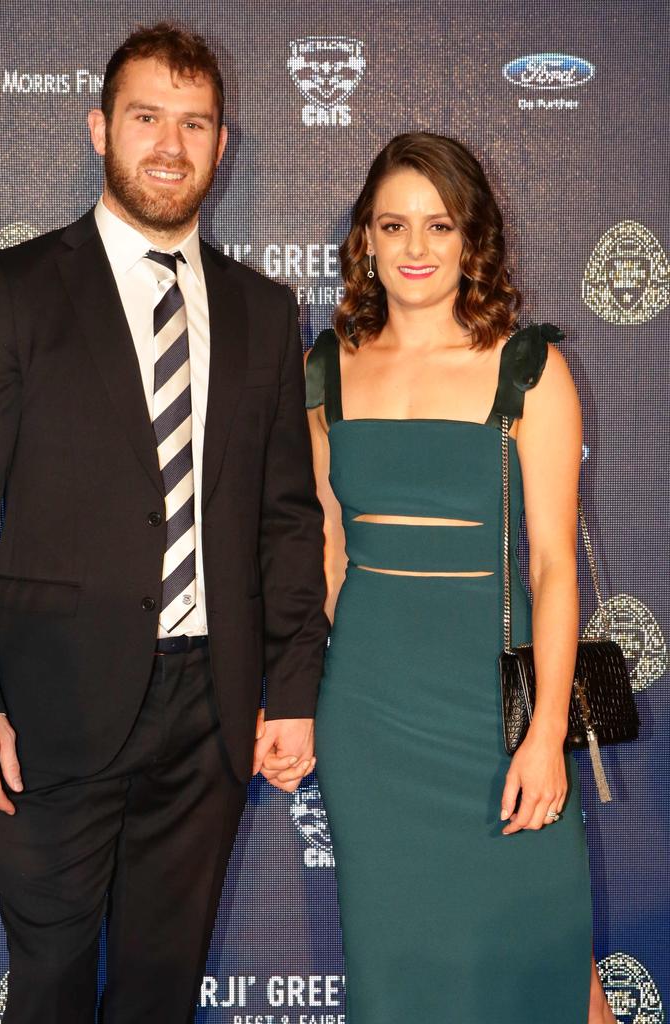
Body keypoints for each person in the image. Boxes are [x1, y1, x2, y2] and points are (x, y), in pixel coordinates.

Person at [0, 22, 327, 1024]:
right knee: (50, 983)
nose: (170, 145)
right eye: (147, 117)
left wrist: (295, 689)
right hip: (53, 703)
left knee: (159, 988)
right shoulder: (11, 288)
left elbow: (284, 519)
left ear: (222, 145)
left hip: (211, 710)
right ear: (100, 127)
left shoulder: (267, 312)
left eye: (195, 123)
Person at [305, 133, 618, 1023]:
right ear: (365, 237)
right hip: (367, 711)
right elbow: (326, 554)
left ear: (470, 238)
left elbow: (555, 565)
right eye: (393, 225)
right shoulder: (324, 372)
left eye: (438, 226)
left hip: (494, 710)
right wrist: (299, 696)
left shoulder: (529, 368)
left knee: (546, 955)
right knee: (398, 967)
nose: (414, 248)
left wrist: (547, 730)